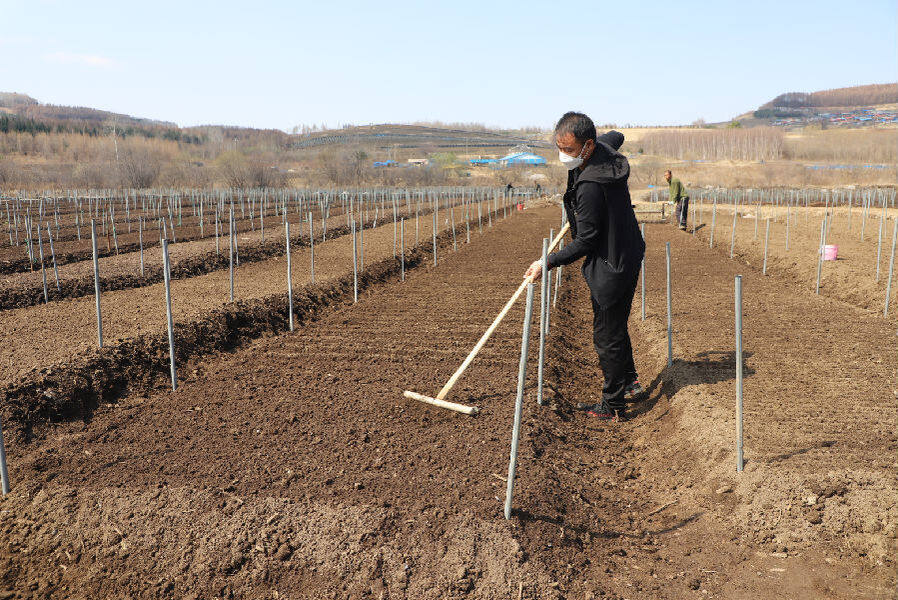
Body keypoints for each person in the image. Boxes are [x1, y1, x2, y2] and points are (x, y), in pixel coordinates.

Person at [524, 112, 645, 420]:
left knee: (606, 335)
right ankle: (628, 382)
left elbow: (586, 242)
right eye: (559, 147)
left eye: (569, 149)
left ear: (588, 145)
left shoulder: (592, 185)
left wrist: (546, 262)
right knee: (615, 325)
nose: (563, 155)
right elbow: (616, 135)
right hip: (626, 248)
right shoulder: (603, 150)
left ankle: (613, 405)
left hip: (612, 260)